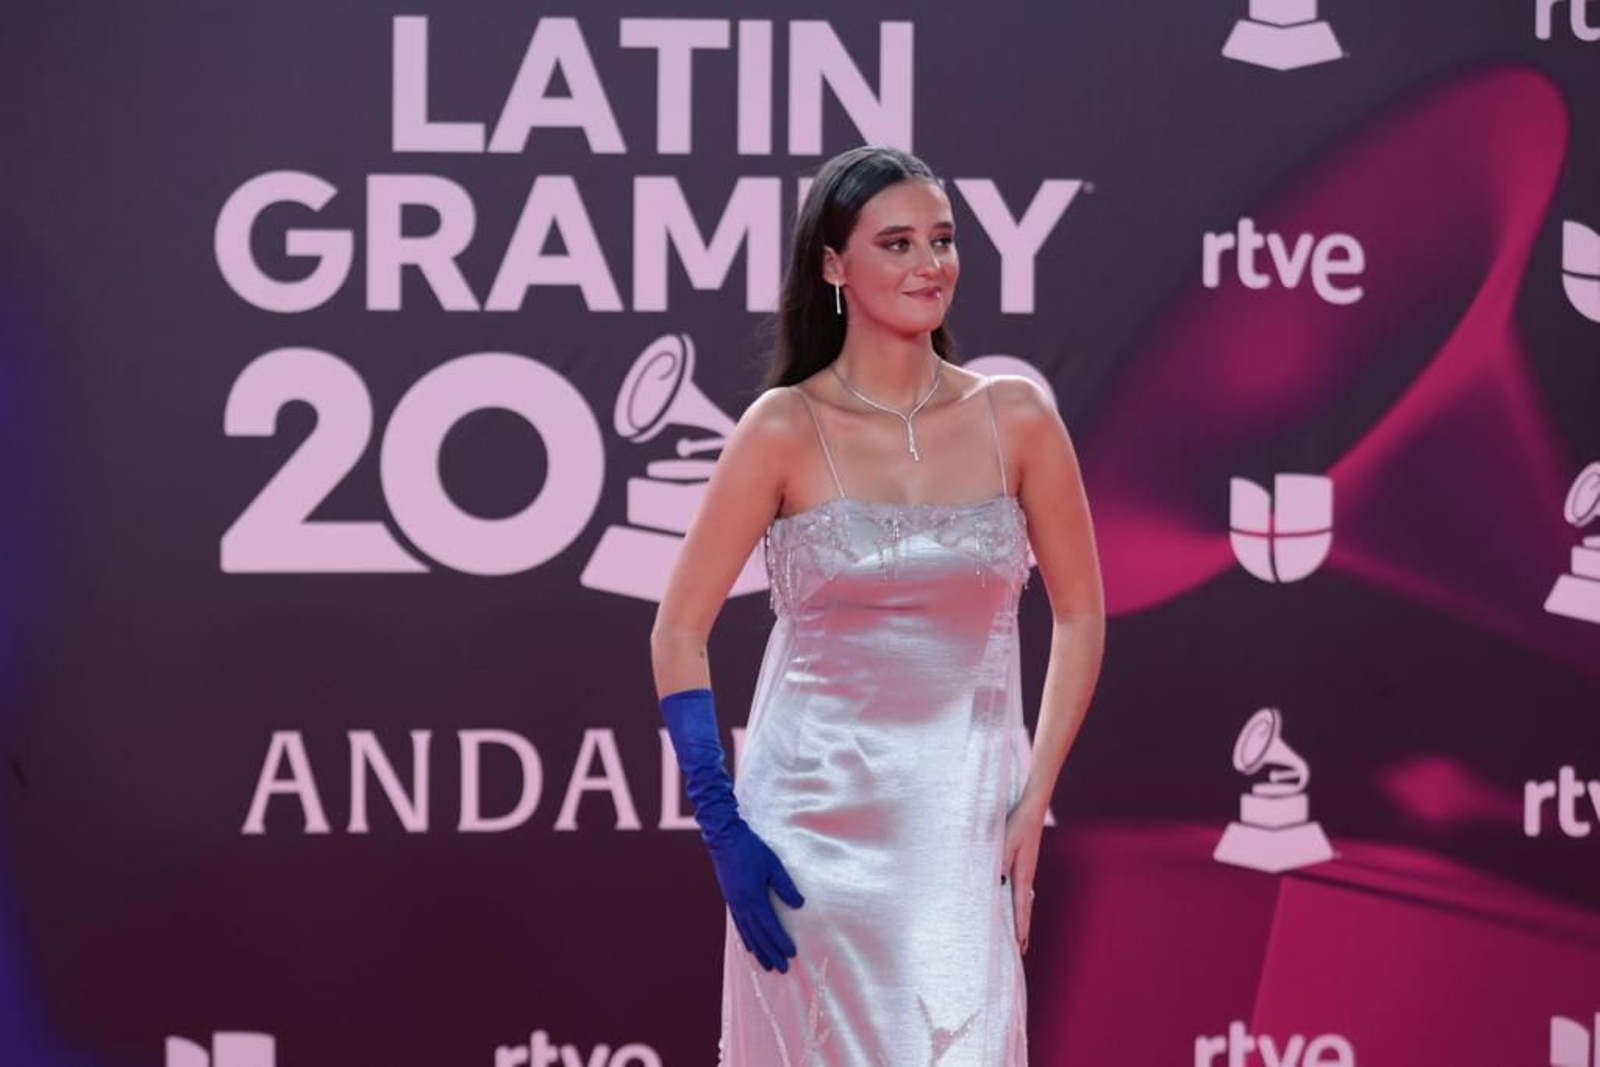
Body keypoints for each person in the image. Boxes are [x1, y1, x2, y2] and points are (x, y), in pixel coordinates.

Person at [649, 144, 1105, 1065]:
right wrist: (724, 826)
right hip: (807, 839)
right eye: (895, 243)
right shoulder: (782, 426)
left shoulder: (1017, 416)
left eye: (940, 240)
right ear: (832, 263)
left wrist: (1034, 792)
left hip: (962, 838)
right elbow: (678, 629)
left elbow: (1083, 612)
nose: (928, 264)